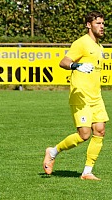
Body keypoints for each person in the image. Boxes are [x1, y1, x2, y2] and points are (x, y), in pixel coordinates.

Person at [43, 10, 108, 181]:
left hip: (96, 97)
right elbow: (63, 62)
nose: (102, 27)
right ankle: (53, 151)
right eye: (98, 23)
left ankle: (87, 172)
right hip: (81, 97)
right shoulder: (81, 43)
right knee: (84, 135)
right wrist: (76, 65)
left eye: (103, 23)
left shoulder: (100, 47)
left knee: (100, 131)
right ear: (88, 25)